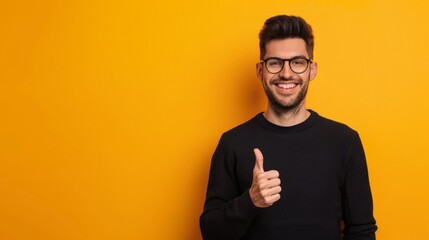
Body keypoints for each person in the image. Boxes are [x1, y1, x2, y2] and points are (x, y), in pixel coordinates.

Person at [199, 15, 377, 240]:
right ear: (260, 70)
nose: (286, 73)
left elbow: (362, 231)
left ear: (312, 70)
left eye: (297, 62)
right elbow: (210, 232)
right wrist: (250, 201)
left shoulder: (345, 141)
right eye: (275, 63)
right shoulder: (232, 143)